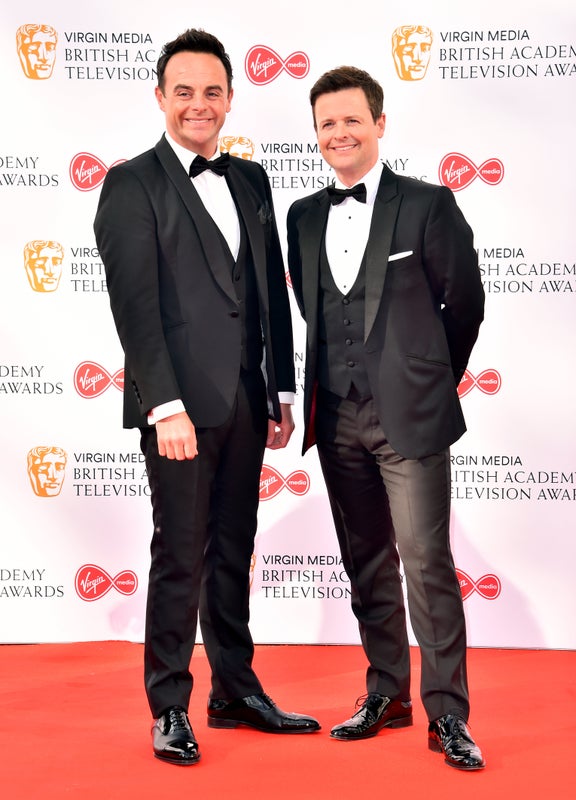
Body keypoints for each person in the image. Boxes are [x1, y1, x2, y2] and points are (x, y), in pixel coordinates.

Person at [94, 28, 320, 767]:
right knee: (180, 553)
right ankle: (168, 705)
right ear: (160, 96)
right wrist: (164, 407)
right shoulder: (131, 185)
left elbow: (267, 294)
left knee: (234, 550)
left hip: (249, 401)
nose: (199, 104)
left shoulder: (250, 180)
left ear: (230, 97)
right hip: (179, 413)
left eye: (212, 91)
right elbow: (136, 308)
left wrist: (280, 387)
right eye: (183, 91)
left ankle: (234, 689)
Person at [287, 66, 485, 770]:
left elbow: (464, 305)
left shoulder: (428, 205)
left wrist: (427, 378)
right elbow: (313, 313)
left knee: (428, 564)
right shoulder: (302, 216)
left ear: (378, 124)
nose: (338, 133)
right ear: (315, 134)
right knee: (365, 562)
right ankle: (387, 694)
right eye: (326, 123)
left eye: (350, 120)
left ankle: (449, 716)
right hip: (336, 415)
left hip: (412, 416)